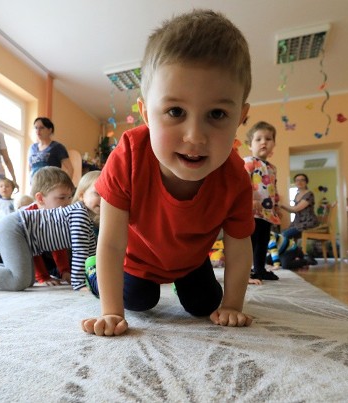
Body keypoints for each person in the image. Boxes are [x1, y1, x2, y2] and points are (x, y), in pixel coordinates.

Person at [81, 9, 254, 337]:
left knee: (205, 305)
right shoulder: (129, 154)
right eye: (175, 111)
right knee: (137, 301)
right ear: (146, 112)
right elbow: (112, 242)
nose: (195, 137)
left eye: (217, 113)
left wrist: (233, 304)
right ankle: (93, 274)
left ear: (240, 118)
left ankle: (182, 284)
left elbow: (238, 246)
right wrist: (110, 312)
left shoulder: (235, 178)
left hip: (190, 262)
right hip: (136, 260)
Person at [0, 167, 74, 265]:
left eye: (70, 197)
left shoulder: (57, 216)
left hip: (18, 248)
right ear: (40, 198)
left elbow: (58, 244)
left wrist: (64, 271)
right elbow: (32, 251)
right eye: (62, 198)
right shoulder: (29, 215)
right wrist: (43, 277)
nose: (68, 203)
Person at [243, 121, 281, 281]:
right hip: (251, 211)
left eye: (268, 138)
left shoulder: (272, 168)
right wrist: (250, 198)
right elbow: (243, 183)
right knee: (250, 242)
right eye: (258, 139)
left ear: (274, 144)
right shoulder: (248, 162)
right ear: (250, 145)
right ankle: (244, 271)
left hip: (267, 212)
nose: (264, 142)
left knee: (263, 241)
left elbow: (274, 189)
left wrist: (277, 206)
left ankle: (259, 269)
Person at [278, 173, 320, 257]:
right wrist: (280, 206)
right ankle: (290, 256)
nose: (299, 182)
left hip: (308, 222)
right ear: (295, 182)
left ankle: (285, 257)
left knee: (284, 235)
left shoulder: (309, 194)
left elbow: (296, 209)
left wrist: (281, 204)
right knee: (282, 234)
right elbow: (294, 211)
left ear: (306, 182)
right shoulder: (297, 195)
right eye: (297, 180)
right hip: (298, 222)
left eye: (302, 180)